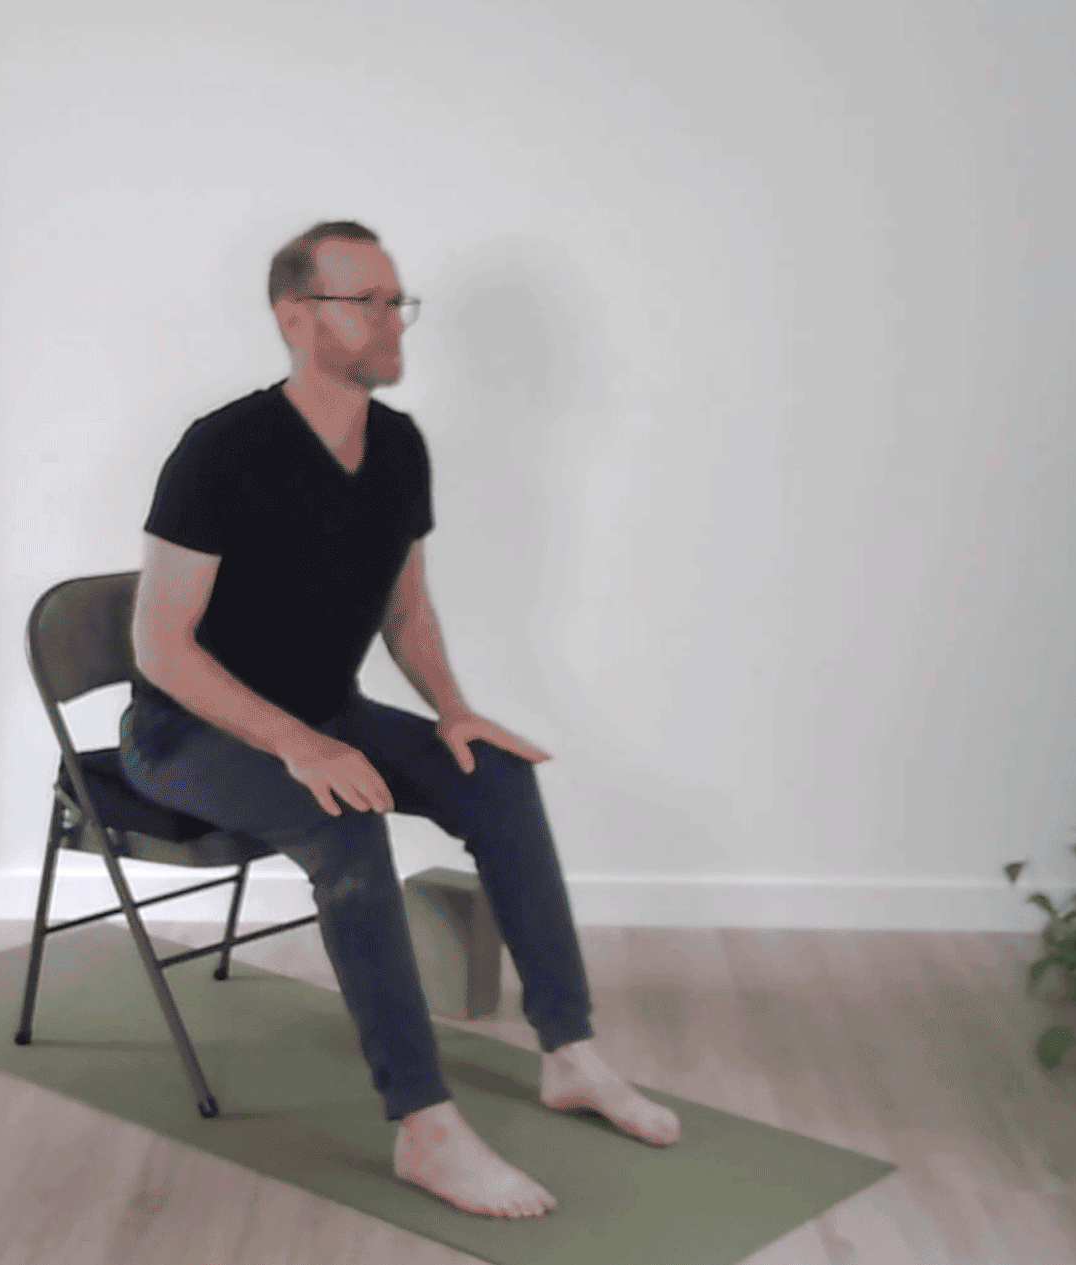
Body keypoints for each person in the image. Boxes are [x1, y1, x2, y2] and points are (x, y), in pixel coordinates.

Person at [119, 221, 680, 1220]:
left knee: (499, 774)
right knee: (345, 817)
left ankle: (571, 1052)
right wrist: (295, 740)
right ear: (296, 317)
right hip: (187, 733)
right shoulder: (223, 449)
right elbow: (162, 648)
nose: (390, 319)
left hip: (328, 713)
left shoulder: (399, 447)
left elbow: (405, 609)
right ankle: (423, 1125)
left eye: (394, 299)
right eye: (363, 300)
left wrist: (455, 711)